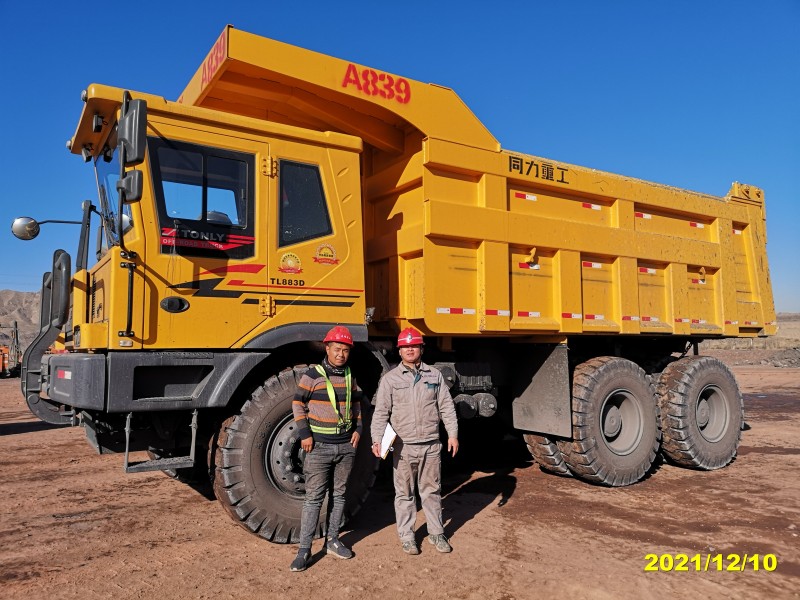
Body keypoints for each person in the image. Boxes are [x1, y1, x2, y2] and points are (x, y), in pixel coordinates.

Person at [371, 327, 459, 555]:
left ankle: (436, 533)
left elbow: (446, 407)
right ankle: (407, 536)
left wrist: (452, 434)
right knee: (404, 494)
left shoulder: (434, 375)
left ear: (421, 348)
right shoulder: (390, 379)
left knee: (432, 491)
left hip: (431, 444)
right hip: (403, 447)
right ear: (399, 351)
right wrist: (376, 439)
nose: (410, 350)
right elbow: (381, 412)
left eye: (414, 346)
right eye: (405, 347)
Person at [290, 325, 363, 572]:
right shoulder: (313, 375)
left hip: (345, 446)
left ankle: (332, 540)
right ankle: (304, 550)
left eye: (345, 350)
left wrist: (359, 429)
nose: (341, 354)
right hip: (319, 447)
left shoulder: (350, 376)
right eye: (337, 349)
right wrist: (305, 434)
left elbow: (356, 406)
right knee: (314, 498)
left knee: (339, 495)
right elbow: (298, 403)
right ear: (327, 348)